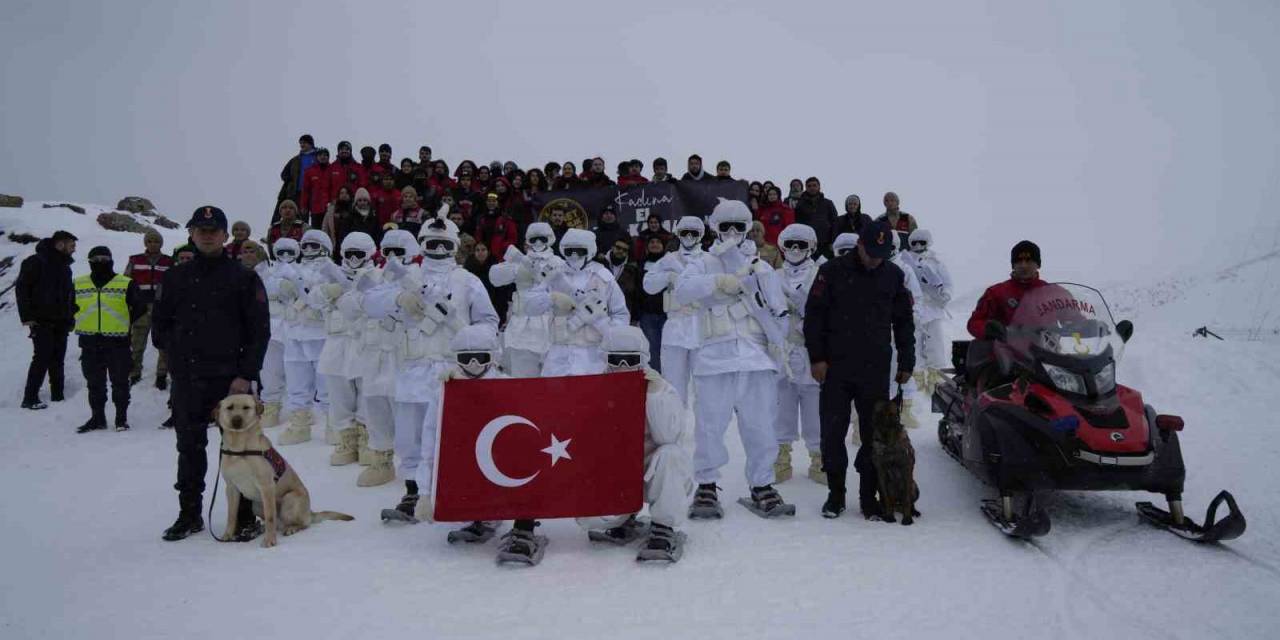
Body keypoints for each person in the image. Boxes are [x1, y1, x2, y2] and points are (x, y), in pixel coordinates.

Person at [363, 218, 499, 522]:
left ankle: (457, 489)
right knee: (409, 437)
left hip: (454, 372)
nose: (438, 250)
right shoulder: (406, 274)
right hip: (412, 369)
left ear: (454, 246)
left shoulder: (467, 281)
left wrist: (470, 339)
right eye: (431, 243)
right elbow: (370, 301)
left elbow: (490, 322)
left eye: (444, 244)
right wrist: (401, 297)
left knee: (456, 435)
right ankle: (414, 492)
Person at [154, 206, 270, 541]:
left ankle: (246, 517)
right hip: (189, 377)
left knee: (243, 448)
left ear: (224, 235)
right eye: (201, 230)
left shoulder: (244, 277)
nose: (207, 235)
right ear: (191, 233)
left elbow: (259, 330)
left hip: (231, 381)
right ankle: (189, 514)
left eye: (214, 230)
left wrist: (245, 374)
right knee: (189, 447)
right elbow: (159, 326)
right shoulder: (175, 277)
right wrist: (176, 359)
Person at [674, 199, 794, 519]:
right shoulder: (702, 263)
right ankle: (707, 485)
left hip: (756, 358)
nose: (730, 233)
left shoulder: (761, 267)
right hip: (714, 357)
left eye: (737, 227)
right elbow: (682, 291)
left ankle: (762, 485)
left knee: (761, 427)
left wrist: (778, 346)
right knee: (709, 427)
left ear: (746, 229)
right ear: (715, 228)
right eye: (724, 226)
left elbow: (778, 313)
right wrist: (716, 282)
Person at [804, 221, 914, 520]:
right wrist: (816, 359)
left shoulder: (894, 275)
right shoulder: (831, 272)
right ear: (859, 245)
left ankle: (869, 498)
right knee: (832, 434)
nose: (875, 259)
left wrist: (907, 361)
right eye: (871, 252)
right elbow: (813, 318)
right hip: (835, 367)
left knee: (873, 436)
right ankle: (835, 495)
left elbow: (904, 321)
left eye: (882, 253)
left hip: (874, 368)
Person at [571, 326, 693, 563]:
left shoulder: (661, 388)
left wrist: (654, 396)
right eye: (617, 361)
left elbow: (669, 437)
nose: (624, 368)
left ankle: (663, 527)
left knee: (671, 454)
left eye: (631, 360)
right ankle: (622, 518)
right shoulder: (592, 389)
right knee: (591, 519)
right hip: (615, 473)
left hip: (652, 472)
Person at [351, 229, 421, 488]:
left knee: (401, 408)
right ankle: (381, 457)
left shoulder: (416, 277)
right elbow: (360, 302)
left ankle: (411, 463)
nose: (392, 257)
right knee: (373, 401)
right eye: (388, 252)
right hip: (373, 349)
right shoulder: (374, 276)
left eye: (398, 252)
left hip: (403, 354)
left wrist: (390, 299)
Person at [312, 232, 378, 476]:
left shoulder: (376, 276)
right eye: (348, 254)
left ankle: (366, 439)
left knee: (366, 393)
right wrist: (330, 290)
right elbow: (314, 298)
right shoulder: (330, 275)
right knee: (339, 392)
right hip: (336, 342)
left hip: (363, 343)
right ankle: (346, 438)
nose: (352, 259)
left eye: (358, 254)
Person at [523, 229, 630, 377]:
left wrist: (603, 325)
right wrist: (551, 298)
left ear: (590, 251)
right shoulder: (555, 274)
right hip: (558, 354)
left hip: (593, 356)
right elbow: (529, 306)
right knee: (554, 398)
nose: (574, 255)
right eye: (569, 251)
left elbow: (621, 315)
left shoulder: (603, 277)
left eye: (579, 251)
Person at [773, 224, 825, 485]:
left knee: (814, 409)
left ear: (811, 247)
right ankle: (781, 457)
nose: (795, 250)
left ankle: (819, 458)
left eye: (801, 245)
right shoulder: (772, 276)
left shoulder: (821, 274)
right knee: (782, 407)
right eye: (790, 244)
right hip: (782, 349)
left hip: (811, 351)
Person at [73, 246, 144, 433]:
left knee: (120, 382)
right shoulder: (78, 283)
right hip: (89, 342)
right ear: (89, 262)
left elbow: (140, 307)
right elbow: (67, 307)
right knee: (94, 384)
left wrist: (124, 323)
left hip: (117, 342)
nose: (100, 262)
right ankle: (98, 418)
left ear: (111, 260)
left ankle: (121, 419)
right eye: (95, 259)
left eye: (104, 258)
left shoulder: (125, 283)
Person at [276, 230, 334, 446]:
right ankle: (299, 424)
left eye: (314, 246)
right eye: (306, 246)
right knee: (296, 382)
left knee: (326, 383)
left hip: (321, 334)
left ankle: (333, 425)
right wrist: (282, 285)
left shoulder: (330, 270)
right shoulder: (293, 269)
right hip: (294, 333)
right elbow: (273, 285)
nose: (309, 251)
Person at [642, 216, 703, 404]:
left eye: (694, 233)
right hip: (675, 325)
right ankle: (675, 428)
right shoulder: (668, 260)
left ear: (700, 235)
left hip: (702, 326)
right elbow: (648, 285)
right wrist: (668, 276)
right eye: (685, 232)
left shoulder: (709, 259)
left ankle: (705, 431)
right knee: (673, 385)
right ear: (678, 234)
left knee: (705, 385)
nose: (689, 237)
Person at [489, 222, 562, 377]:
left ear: (549, 239)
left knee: (551, 379)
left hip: (551, 325)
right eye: (534, 239)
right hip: (522, 326)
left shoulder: (558, 263)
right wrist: (516, 268)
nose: (538, 243)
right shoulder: (520, 261)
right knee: (521, 376)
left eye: (542, 239)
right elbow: (494, 278)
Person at [17, 230, 77, 410]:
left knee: (58, 358)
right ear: (60, 244)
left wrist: (71, 314)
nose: (74, 250)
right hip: (41, 320)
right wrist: (27, 317)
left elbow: (68, 295)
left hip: (61, 321)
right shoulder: (35, 262)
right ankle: (30, 397)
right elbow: (22, 289)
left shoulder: (65, 267)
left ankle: (58, 395)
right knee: (42, 357)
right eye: (71, 245)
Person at [258, 237, 300, 428]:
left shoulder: (302, 271)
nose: (284, 257)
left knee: (297, 372)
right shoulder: (266, 271)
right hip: (271, 328)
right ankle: (271, 405)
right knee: (270, 370)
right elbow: (258, 291)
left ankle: (299, 409)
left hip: (295, 327)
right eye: (280, 252)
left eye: (289, 253)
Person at [905, 229, 953, 395]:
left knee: (936, 344)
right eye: (914, 243)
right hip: (914, 310)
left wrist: (945, 294)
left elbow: (947, 282)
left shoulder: (936, 261)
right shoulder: (905, 261)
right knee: (914, 343)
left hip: (933, 309)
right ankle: (916, 380)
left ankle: (936, 379)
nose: (918, 246)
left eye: (922, 242)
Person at [966, 240, 1046, 340]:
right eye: (1019, 261)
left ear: (1038, 264)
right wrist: (988, 328)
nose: (1023, 265)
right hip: (1006, 352)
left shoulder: (1052, 292)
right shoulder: (995, 293)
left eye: (1028, 261)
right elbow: (974, 323)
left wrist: (1069, 324)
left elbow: (1069, 314)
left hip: (1046, 350)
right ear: (1013, 265)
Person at [125, 230, 173, 389]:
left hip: (161, 308)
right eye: (150, 241)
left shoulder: (168, 261)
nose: (153, 244)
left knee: (162, 343)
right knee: (137, 342)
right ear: (145, 243)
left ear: (161, 244)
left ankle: (161, 374)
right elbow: (126, 281)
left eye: (156, 241)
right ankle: (134, 372)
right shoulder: (135, 260)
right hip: (141, 307)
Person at [635, 236, 668, 371]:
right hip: (647, 315)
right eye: (652, 242)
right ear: (647, 247)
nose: (655, 244)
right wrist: (636, 316)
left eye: (658, 241)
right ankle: (657, 380)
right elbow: (637, 291)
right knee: (652, 350)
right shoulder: (640, 265)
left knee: (668, 350)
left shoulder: (669, 263)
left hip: (667, 315)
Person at [793, 177, 839, 258]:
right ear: (806, 188)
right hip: (807, 244)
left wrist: (833, 241)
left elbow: (835, 223)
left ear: (819, 187)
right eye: (809, 186)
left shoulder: (828, 203)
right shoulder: (800, 204)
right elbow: (797, 225)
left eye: (814, 185)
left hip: (826, 244)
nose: (812, 188)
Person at [300, 148, 342, 228]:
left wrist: (336, 203)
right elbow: (305, 190)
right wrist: (304, 205)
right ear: (316, 157)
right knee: (317, 230)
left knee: (331, 230)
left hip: (331, 208)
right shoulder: (310, 171)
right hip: (316, 208)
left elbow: (336, 188)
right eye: (320, 155)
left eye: (325, 155)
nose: (323, 157)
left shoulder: (334, 169)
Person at [277, 133, 317, 205]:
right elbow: (284, 174)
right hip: (297, 192)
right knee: (299, 214)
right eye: (300, 143)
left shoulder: (318, 157)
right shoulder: (295, 159)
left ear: (310, 144)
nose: (302, 145)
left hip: (313, 192)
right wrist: (291, 181)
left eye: (304, 143)